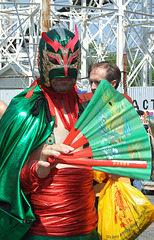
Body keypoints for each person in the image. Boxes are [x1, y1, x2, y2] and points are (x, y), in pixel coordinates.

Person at [0, 27, 98, 240]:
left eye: (71, 63)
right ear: (41, 61)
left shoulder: (90, 108)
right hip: (42, 233)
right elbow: (6, 184)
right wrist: (35, 171)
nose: (64, 71)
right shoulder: (24, 111)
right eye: (55, 62)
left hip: (88, 229)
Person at [87, 61, 141, 240]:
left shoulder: (123, 107)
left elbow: (132, 148)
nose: (93, 87)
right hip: (91, 188)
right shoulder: (86, 106)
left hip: (118, 186)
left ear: (113, 84)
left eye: (97, 82)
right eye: (91, 82)